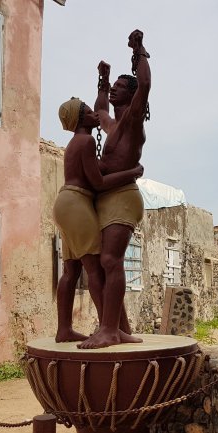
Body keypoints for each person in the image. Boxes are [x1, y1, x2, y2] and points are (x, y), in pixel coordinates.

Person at [79, 30, 151, 349]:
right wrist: (103, 81)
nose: (114, 92)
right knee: (101, 264)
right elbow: (100, 112)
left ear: (131, 95)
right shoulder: (111, 127)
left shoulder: (134, 122)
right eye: (115, 88)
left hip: (123, 197)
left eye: (120, 88)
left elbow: (145, 85)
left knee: (111, 260)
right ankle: (120, 328)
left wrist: (139, 53)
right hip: (106, 197)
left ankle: (109, 330)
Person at [53, 97, 144, 344]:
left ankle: (64, 329)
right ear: (80, 117)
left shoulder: (74, 143)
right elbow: (99, 183)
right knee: (96, 269)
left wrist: (103, 84)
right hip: (77, 203)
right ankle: (110, 329)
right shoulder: (87, 140)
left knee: (71, 269)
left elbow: (96, 172)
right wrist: (132, 173)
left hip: (64, 203)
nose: (95, 113)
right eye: (88, 110)